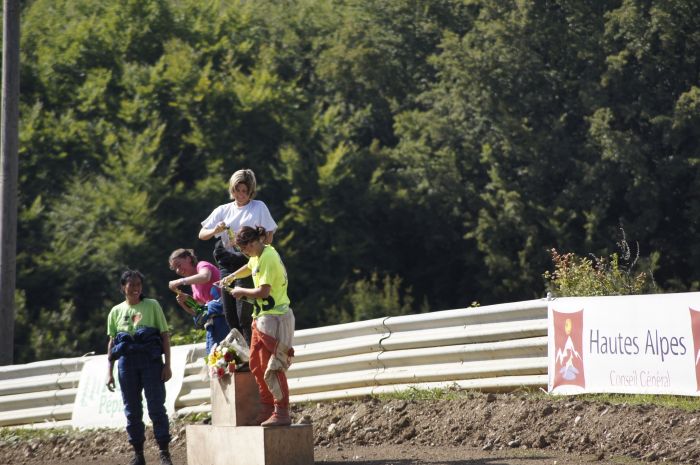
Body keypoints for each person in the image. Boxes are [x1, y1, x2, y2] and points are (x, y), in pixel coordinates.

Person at [198, 169, 277, 347]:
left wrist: (257, 239)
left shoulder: (258, 207)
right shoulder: (223, 210)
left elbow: (269, 237)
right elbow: (202, 234)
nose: (240, 195)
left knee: (243, 311)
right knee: (229, 312)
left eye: (244, 191)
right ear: (232, 190)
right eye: (237, 190)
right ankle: (239, 351)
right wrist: (215, 230)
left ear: (251, 191)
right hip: (227, 262)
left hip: (248, 261)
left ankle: (252, 348)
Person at [226, 226, 295, 426]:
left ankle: (281, 411)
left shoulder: (268, 258)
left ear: (254, 242)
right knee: (256, 364)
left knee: (273, 366)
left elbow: (264, 292)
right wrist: (232, 277)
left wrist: (241, 291)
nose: (244, 253)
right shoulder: (259, 254)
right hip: (262, 317)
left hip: (276, 319)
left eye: (245, 249)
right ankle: (267, 406)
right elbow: (250, 266)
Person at [106, 270, 174, 465]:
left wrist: (167, 365)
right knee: (132, 410)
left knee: (156, 407)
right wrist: (109, 372)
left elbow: (164, 335)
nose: (135, 289)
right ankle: (138, 454)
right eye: (131, 285)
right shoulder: (115, 311)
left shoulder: (152, 306)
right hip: (126, 364)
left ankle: (164, 452)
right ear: (122, 287)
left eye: (138, 285)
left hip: (150, 362)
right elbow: (112, 343)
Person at [168, 249, 229, 354]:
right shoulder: (193, 285)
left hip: (225, 316)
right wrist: (185, 302)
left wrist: (180, 281)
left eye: (178, 265)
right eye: (175, 269)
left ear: (188, 258)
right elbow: (200, 311)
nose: (178, 271)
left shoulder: (202, 265)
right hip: (214, 324)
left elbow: (205, 277)